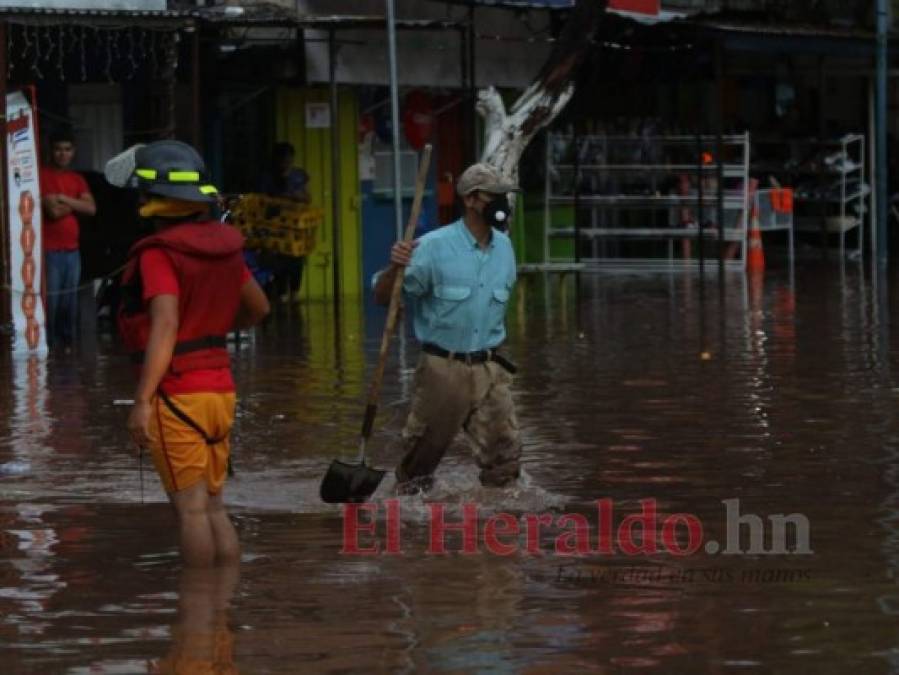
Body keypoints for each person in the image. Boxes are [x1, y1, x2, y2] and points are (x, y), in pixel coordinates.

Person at [108, 140, 270, 568]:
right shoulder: (226, 246)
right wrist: (210, 327)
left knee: (191, 512)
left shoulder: (160, 253)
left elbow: (164, 324)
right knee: (214, 508)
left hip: (177, 394)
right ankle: (222, 607)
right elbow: (259, 309)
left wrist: (141, 401)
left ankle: (198, 614)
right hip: (221, 394)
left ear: (156, 199)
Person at [372, 162, 522, 495]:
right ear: (471, 200)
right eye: (495, 197)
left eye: (505, 197)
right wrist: (394, 268)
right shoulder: (432, 247)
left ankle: (503, 528)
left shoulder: (505, 249)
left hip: (491, 367)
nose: (503, 205)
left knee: (505, 461)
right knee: (419, 468)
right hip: (444, 369)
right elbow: (384, 297)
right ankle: (412, 530)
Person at [40, 128, 96, 353]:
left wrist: (63, 198)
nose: (62, 154)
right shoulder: (42, 175)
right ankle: (51, 347)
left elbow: (91, 209)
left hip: (73, 250)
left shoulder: (77, 179)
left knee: (69, 302)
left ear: (73, 152)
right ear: (51, 151)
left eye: (67, 150)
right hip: (50, 250)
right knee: (51, 303)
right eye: (58, 150)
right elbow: (52, 212)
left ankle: (68, 348)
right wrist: (75, 204)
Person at [259, 141, 310, 303]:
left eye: (289, 159)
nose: (286, 163)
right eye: (283, 159)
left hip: (295, 226)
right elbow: (263, 201)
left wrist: (295, 196)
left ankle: (294, 292)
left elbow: (307, 197)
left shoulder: (298, 176)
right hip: (277, 226)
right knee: (279, 259)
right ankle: (281, 293)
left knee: (296, 259)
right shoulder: (268, 178)